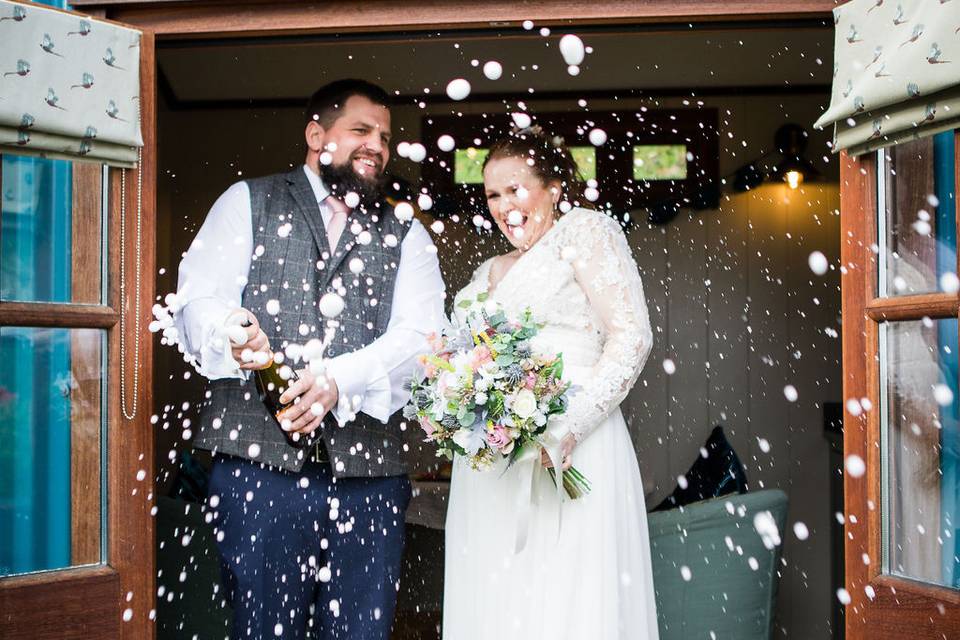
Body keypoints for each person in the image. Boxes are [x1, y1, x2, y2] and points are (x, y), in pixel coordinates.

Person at [173, 79, 446, 639]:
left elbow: (422, 337)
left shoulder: (406, 231)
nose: (377, 145)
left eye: (386, 137)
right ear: (316, 134)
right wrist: (231, 328)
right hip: (257, 471)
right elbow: (196, 300)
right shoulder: (246, 200)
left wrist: (338, 381)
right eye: (361, 131)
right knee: (263, 629)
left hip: (369, 478)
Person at [442, 126, 660, 639]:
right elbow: (462, 354)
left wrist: (571, 426)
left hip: (573, 444)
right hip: (491, 463)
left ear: (554, 188)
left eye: (515, 189)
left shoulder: (584, 233)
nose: (503, 205)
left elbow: (631, 336)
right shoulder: (487, 270)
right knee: (496, 595)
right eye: (492, 194)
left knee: (570, 592)